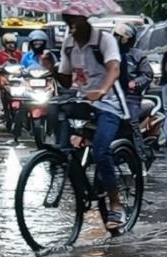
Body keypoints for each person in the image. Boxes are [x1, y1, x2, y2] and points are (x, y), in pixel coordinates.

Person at [52, 13, 128, 230]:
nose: (71, 28)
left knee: (101, 151)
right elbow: (66, 80)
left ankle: (115, 204)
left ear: (85, 21)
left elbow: (114, 68)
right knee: (55, 118)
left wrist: (102, 90)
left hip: (109, 104)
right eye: (68, 23)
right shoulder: (68, 45)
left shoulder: (104, 40)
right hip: (82, 102)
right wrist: (50, 68)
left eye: (74, 22)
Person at [113, 23, 154, 161]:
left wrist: (135, 83)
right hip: (111, 96)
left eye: (119, 37)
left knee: (131, 121)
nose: (116, 39)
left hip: (131, 98)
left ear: (127, 38)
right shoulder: (110, 54)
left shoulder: (137, 55)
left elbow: (147, 75)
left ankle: (140, 157)